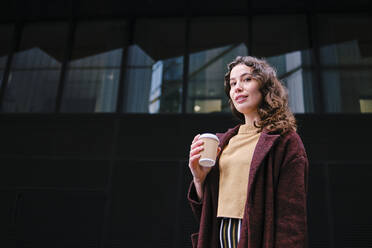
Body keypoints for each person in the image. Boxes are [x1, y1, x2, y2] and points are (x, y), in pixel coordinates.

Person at [187, 56, 309, 248]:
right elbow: (205, 210)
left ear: (265, 86)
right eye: (233, 83)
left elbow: (291, 216)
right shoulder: (223, 142)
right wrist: (199, 179)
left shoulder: (285, 141)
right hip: (218, 238)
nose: (237, 87)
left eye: (247, 79)